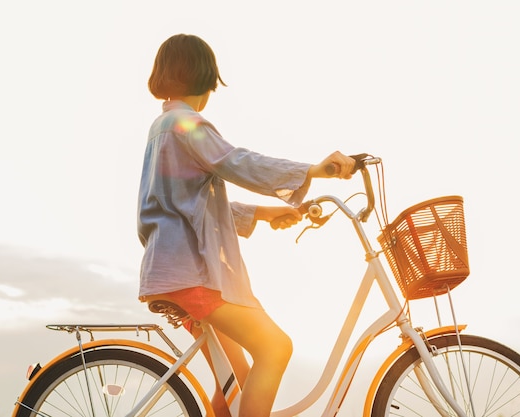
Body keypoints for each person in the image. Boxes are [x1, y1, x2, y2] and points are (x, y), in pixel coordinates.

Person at [137, 33, 357, 417]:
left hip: (170, 271)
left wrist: (266, 213)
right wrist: (311, 171)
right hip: (191, 276)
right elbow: (237, 162)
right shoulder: (186, 124)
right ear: (203, 78)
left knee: (236, 384)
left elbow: (189, 205)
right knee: (275, 348)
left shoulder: (162, 127)